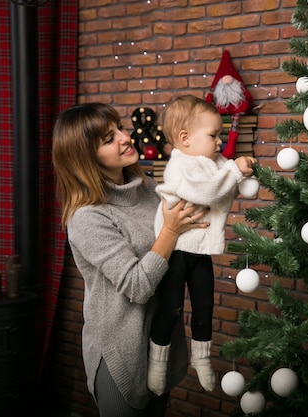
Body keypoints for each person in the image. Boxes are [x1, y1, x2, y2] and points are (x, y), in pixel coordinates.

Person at [52, 102, 209, 417]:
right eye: (109, 139)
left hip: (161, 344)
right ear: (85, 157)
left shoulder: (148, 190)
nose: (125, 137)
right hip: (121, 353)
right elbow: (138, 286)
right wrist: (171, 230)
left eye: (119, 129)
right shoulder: (87, 216)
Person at [147, 95, 257, 395]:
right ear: (185, 139)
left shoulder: (211, 160)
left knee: (204, 307)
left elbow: (227, 179)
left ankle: (202, 359)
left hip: (200, 251)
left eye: (220, 135)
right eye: (213, 135)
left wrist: (241, 168)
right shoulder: (180, 165)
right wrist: (234, 171)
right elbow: (210, 191)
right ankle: (157, 364)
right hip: (177, 251)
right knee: (170, 309)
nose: (219, 142)